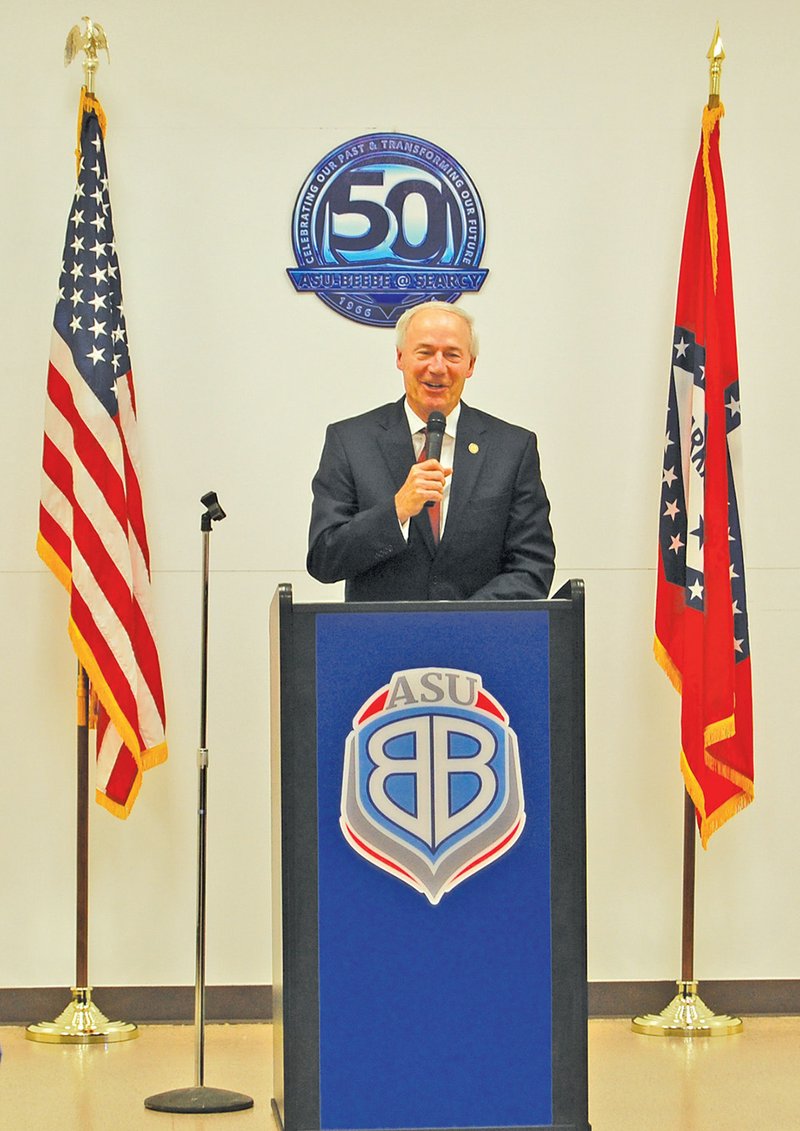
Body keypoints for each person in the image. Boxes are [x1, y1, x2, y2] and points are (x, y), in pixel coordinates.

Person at [306, 301, 555, 601]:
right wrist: (396, 510)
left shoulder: (512, 448)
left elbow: (532, 566)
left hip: (478, 641)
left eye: (452, 355)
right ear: (400, 357)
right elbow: (324, 557)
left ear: (470, 365)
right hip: (382, 642)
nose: (437, 367)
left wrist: (460, 622)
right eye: (424, 352)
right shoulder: (350, 441)